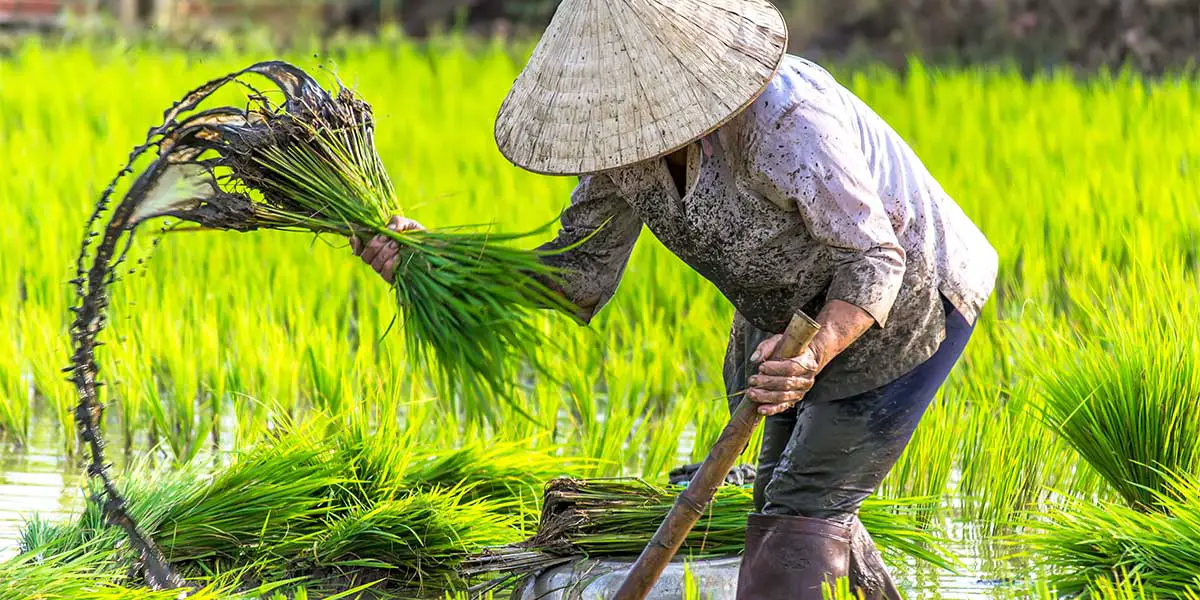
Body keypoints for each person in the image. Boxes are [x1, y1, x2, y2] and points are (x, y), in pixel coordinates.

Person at [353, 0, 998, 597]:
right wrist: (435, 260)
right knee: (788, 502)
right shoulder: (617, 151)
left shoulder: (785, 119)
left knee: (798, 515)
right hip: (778, 318)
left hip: (906, 301)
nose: (631, 129)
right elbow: (577, 274)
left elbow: (873, 256)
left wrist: (813, 352)